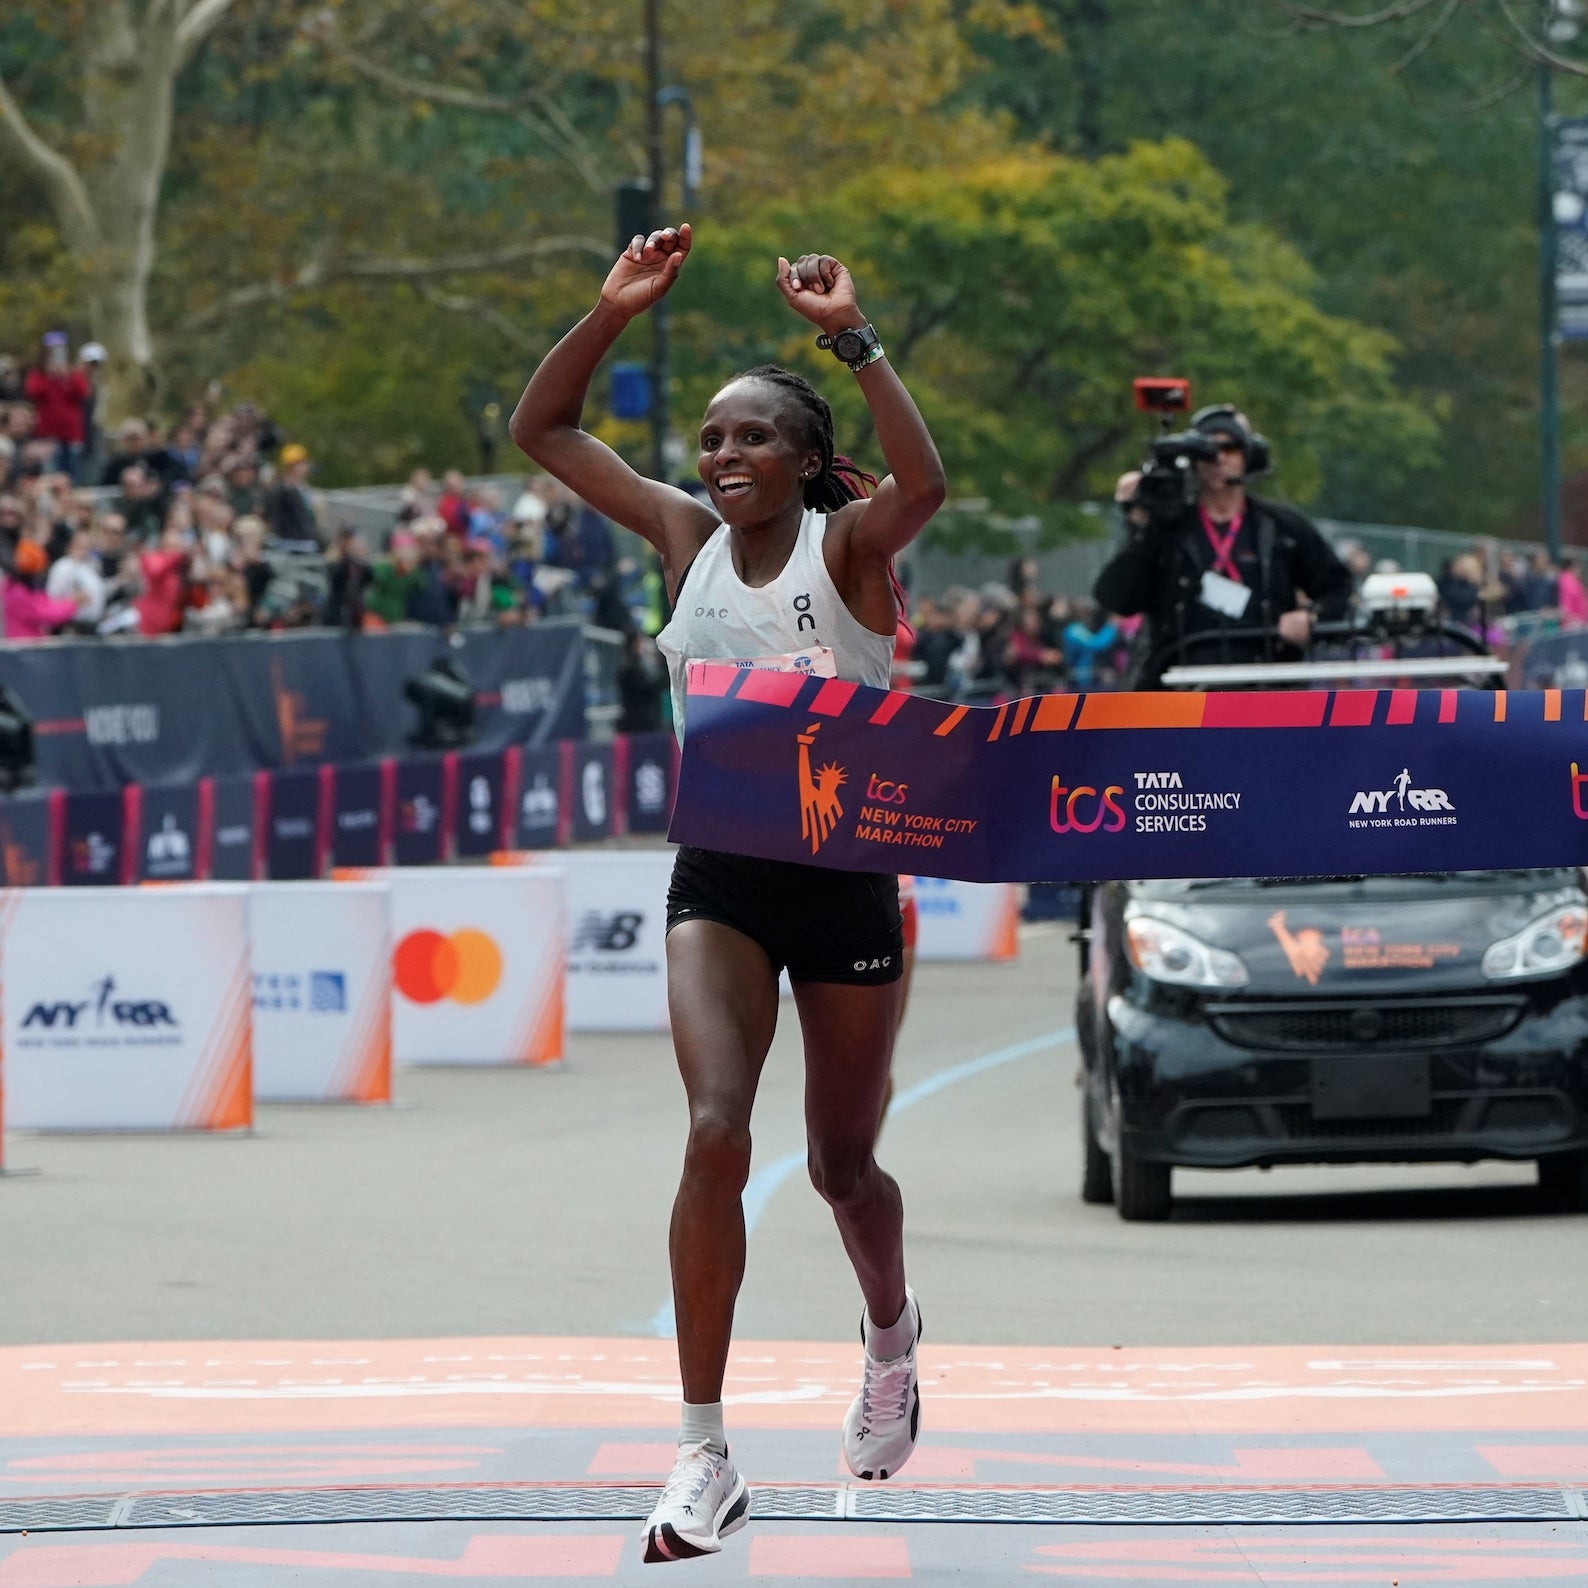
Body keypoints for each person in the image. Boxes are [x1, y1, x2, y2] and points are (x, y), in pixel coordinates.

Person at [510, 223, 945, 1566]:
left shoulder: (852, 549)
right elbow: (543, 428)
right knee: (714, 1131)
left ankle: (890, 1343)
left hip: (849, 879)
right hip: (722, 878)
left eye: (751, 439)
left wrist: (853, 339)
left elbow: (926, 477)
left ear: (806, 460)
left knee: (841, 1166)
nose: (721, 459)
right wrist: (612, 308)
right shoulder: (684, 537)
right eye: (708, 440)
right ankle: (703, 1451)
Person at [1095, 405, 1353, 688]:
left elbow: (1338, 585)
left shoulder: (1280, 526)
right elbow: (1116, 598)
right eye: (1207, 451)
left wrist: (1312, 618)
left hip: (1266, 681)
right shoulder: (1169, 528)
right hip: (1180, 684)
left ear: (1248, 455)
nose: (1219, 459)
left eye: (1230, 448)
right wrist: (1139, 526)